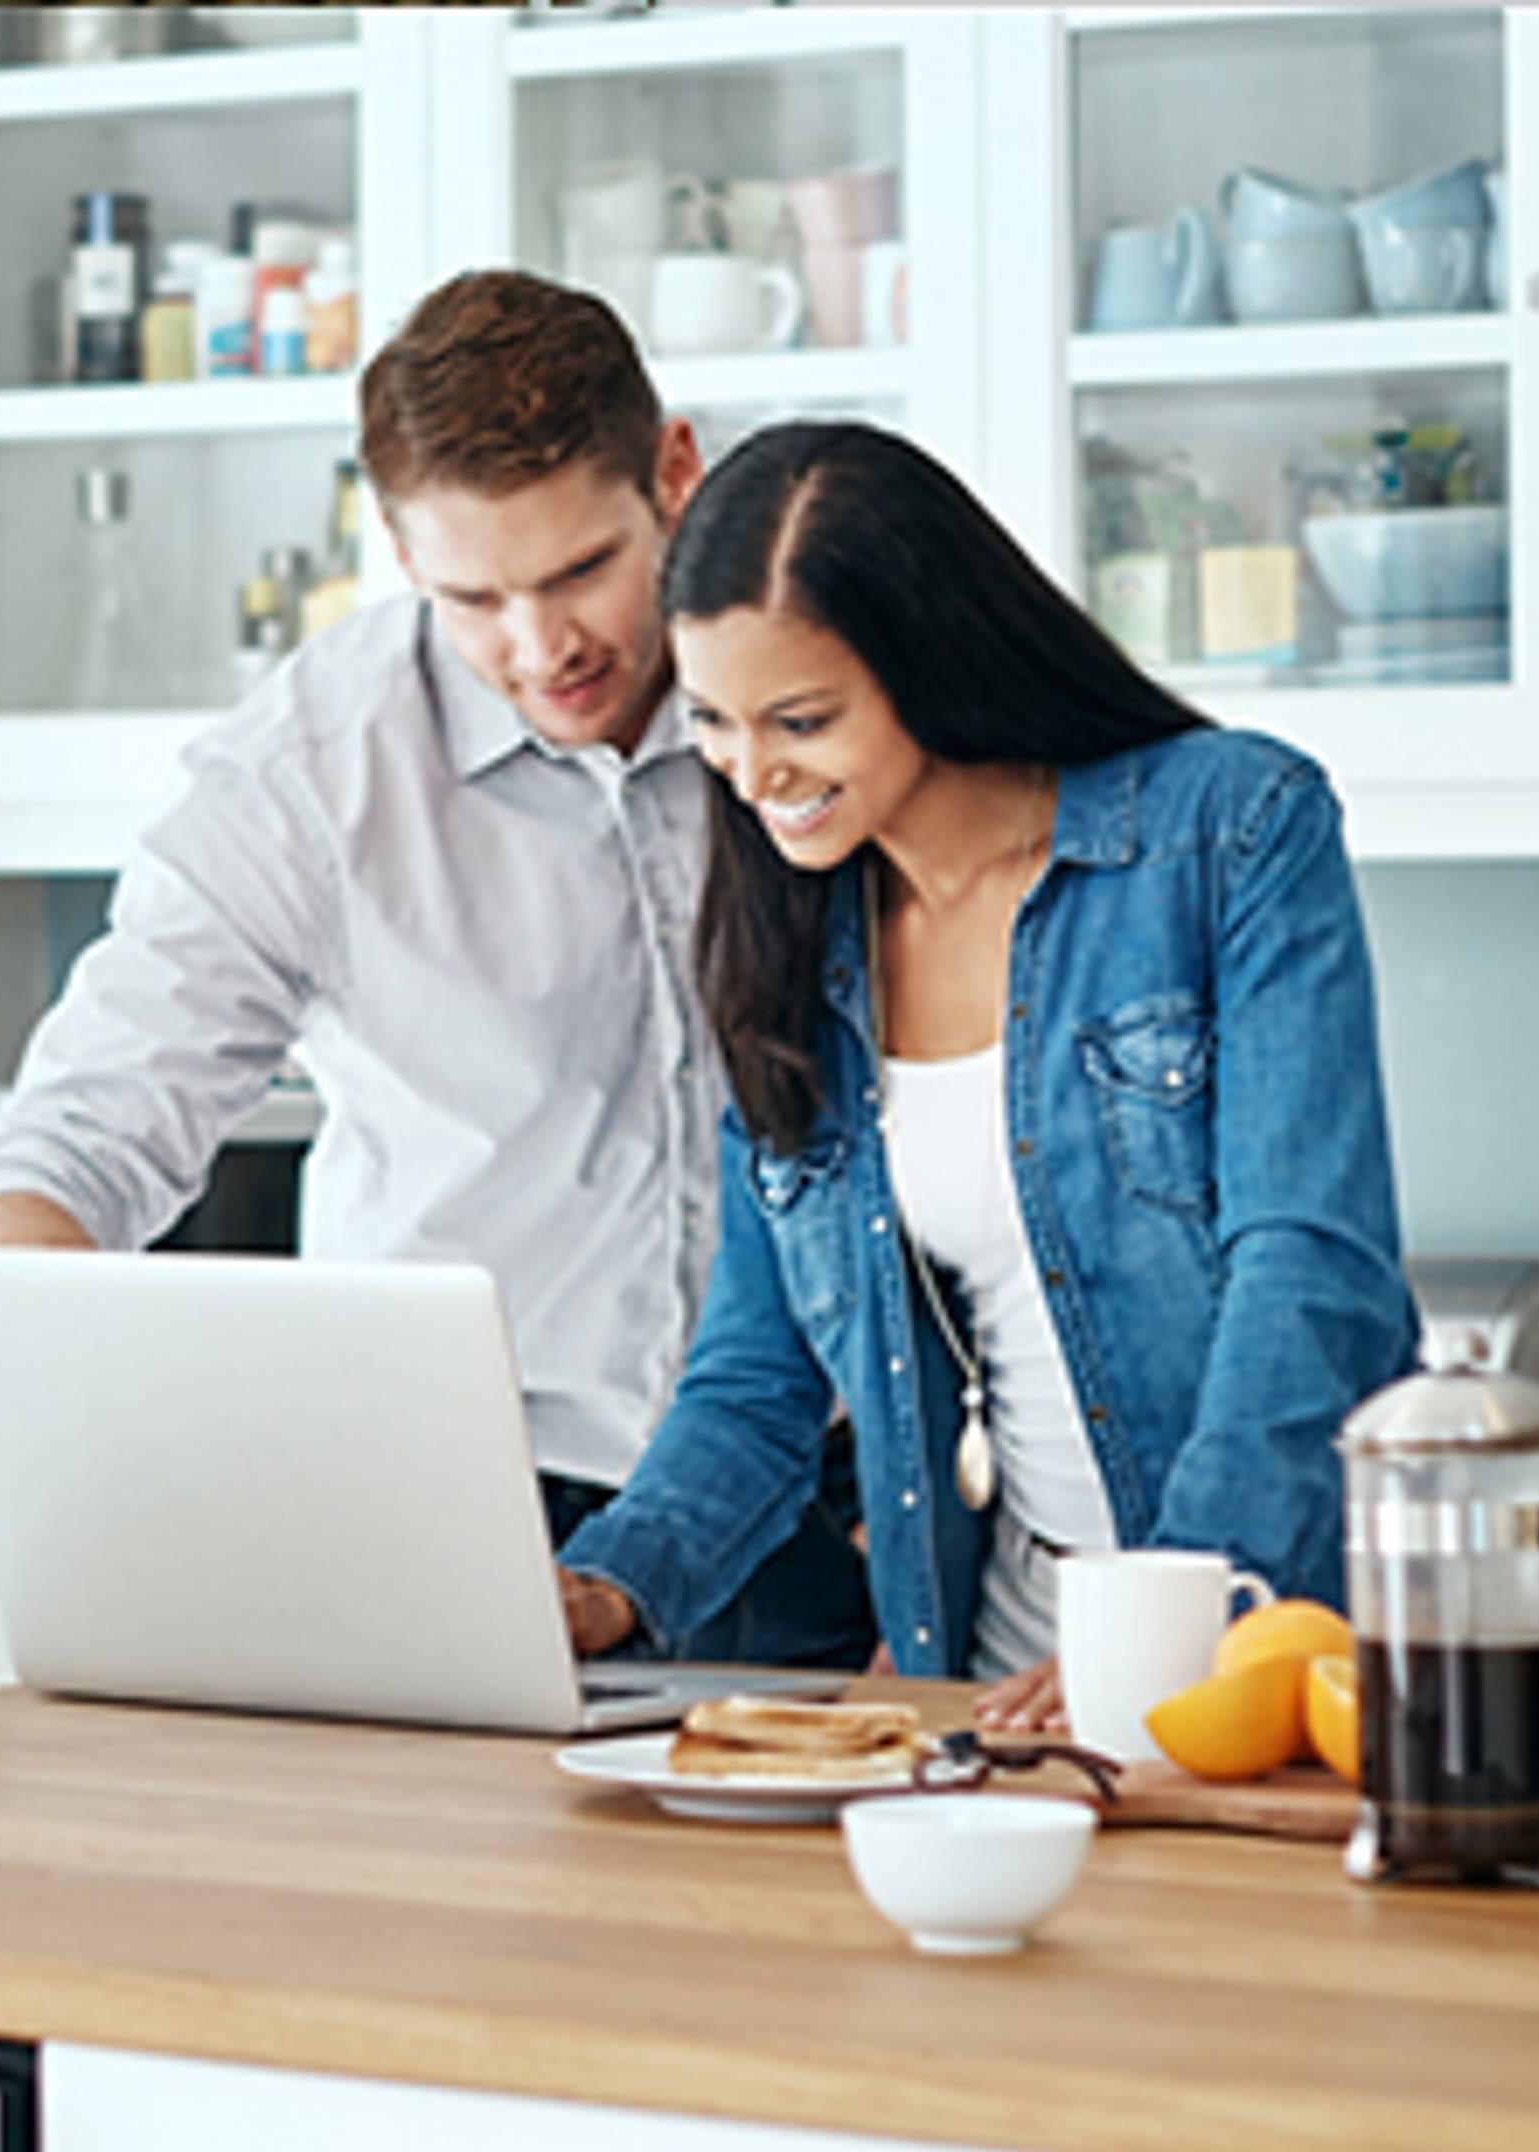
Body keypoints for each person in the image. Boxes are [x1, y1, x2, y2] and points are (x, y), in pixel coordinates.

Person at [0, 272, 872, 1670]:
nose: (540, 647)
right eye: (472, 597)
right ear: (393, 545)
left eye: (579, 573)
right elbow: (82, 1136)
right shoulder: (313, 776)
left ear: (674, 472)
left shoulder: (816, 697)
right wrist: (71, 1443)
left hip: (843, 1497)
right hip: (473, 1519)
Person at [552, 419, 1416, 1728]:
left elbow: (1311, 1270)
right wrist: (605, 1586)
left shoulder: (1228, 832)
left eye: (802, 719)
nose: (752, 772)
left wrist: (1170, 1632)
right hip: (993, 1684)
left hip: (1257, 1659)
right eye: (717, 721)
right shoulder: (789, 949)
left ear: (931, 659)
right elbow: (758, 1374)